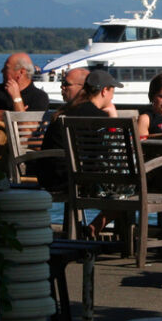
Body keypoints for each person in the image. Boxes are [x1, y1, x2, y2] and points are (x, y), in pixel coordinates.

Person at [38, 70, 121, 235]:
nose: (112, 97)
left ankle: (94, 227)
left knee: (126, 184)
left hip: (52, 175)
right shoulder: (98, 118)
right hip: (74, 180)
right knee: (133, 186)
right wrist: (113, 117)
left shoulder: (66, 112)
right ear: (104, 90)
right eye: (112, 91)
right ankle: (100, 228)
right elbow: (113, 153)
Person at [0, 53, 49, 119]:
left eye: (6, 68)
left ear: (21, 72)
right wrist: (9, 114)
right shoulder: (0, 90)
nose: (2, 71)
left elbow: (28, 129)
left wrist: (16, 98)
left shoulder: (39, 97)